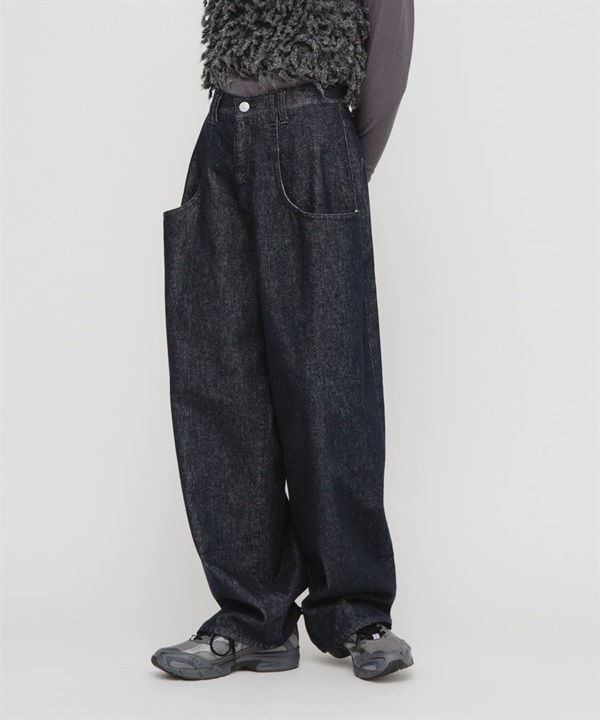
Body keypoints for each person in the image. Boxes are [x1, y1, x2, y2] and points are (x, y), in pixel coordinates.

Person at [152, 0, 415, 682]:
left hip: (315, 134)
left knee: (330, 385)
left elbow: (388, 60)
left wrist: (341, 163)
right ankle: (252, 618)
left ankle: (357, 613)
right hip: (221, 136)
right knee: (218, 381)